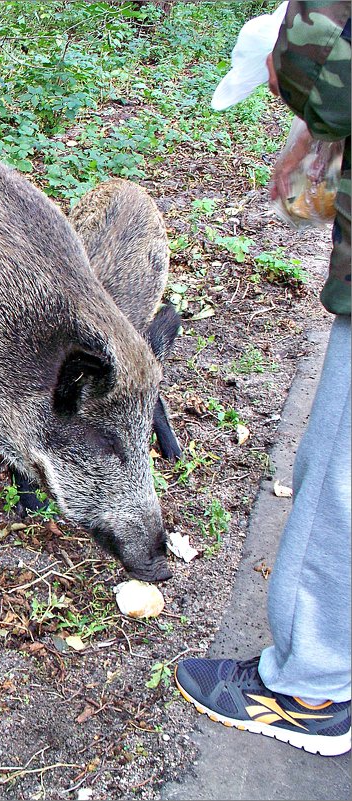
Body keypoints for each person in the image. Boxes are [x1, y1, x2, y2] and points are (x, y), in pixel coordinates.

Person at [174, 1, 351, 758]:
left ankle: (309, 685)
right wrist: (317, 135)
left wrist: (318, 115)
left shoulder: (319, 36)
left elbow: (334, 72)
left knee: (337, 466)